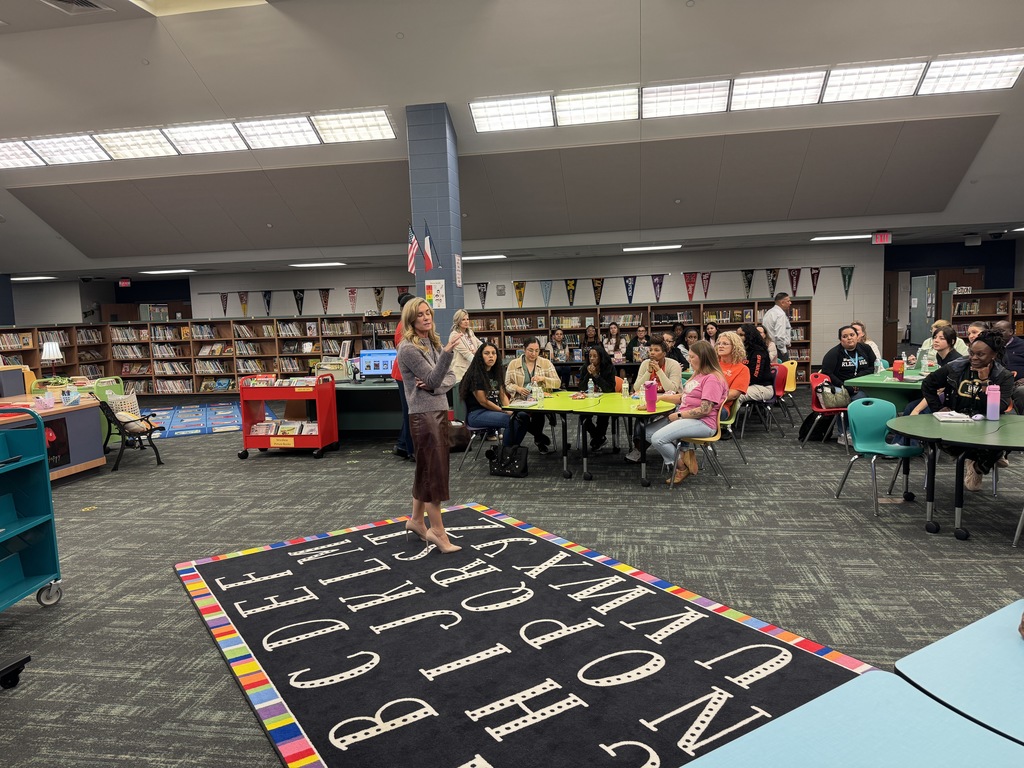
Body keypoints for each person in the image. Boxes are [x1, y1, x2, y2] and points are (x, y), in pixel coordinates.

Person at [396, 297, 462, 554]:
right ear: (411, 320)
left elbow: (448, 378)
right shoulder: (409, 349)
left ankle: (415, 520)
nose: (426, 317)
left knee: (427, 468)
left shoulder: (431, 342)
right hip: (424, 416)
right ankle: (437, 531)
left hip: (437, 411)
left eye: (428, 313)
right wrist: (445, 355)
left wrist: (437, 384)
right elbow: (436, 376)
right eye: (420, 314)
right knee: (434, 473)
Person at [919, 330, 1013, 492]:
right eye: (971, 353)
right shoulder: (956, 367)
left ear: (994, 355)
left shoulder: (1002, 376)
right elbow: (928, 384)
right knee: (949, 444)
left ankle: (977, 467)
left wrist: (985, 382)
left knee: (999, 445)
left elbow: (999, 407)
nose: (974, 358)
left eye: (980, 354)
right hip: (956, 423)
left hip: (987, 426)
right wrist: (939, 408)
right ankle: (987, 458)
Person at [646, 340, 729, 485]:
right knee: (647, 432)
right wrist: (660, 399)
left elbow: (705, 409)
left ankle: (681, 467)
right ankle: (684, 454)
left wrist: (679, 415)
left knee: (658, 439)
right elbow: (683, 397)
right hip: (687, 418)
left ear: (703, 357)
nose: (688, 360)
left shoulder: (712, 379)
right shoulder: (698, 374)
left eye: (692, 357)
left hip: (703, 422)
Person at [625, 338, 684, 462]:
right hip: (650, 400)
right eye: (650, 350)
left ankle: (652, 447)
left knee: (656, 421)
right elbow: (636, 387)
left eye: (656, 350)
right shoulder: (645, 363)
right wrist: (649, 371)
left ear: (664, 353)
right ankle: (638, 448)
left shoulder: (673, 364)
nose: (652, 352)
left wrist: (659, 371)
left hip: (670, 402)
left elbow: (672, 388)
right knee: (640, 418)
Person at [460, 342, 526, 448]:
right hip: (477, 414)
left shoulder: (496, 372)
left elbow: (503, 396)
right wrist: (503, 411)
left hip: (493, 411)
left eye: (493, 353)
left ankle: (514, 448)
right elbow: (483, 401)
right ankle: (506, 453)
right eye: (486, 353)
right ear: (480, 356)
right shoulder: (475, 374)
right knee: (511, 420)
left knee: (524, 416)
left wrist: (509, 409)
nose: (491, 356)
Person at [819, 325, 877, 446]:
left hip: (862, 384)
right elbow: (827, 373)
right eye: (845, 336)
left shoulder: (865, 349)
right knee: (855, 399)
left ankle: (867, 431)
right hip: (841, 385)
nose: (849, 338)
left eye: (852, 335)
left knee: (875, 398)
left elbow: (873, 367)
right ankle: (845, 433)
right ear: (841, 340)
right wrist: (845, 386)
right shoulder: (834, 353)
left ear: (858, 337)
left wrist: (858, 379)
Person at [504, 337, 560, 454]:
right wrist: (518, 388)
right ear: (524, 349)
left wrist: (543, 379)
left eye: (537, 350)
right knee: (522, 416)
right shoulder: (513, 364)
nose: (533, 354)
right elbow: (507, 384)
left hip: (540, 399)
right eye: (530, 350)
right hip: (520, 400)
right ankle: (539, 437)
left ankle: (539, 439)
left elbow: (557, 382)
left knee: (538, 413)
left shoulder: (545, 363)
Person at [392, 291, 417, 460]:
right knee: (410, 412)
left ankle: (402, 444)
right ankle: (411, 450)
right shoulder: (405, 326)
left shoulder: (405, 324)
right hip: (405, 374)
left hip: (404, 373)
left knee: (410, 411)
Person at [578, 345, 616, 450]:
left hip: (606, 399)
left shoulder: (609, 367)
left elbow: (609, 388)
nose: (592, 359)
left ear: (601, 357)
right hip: (589, 400)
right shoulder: (585, 367)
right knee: (583, 417)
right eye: (590, 356)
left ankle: (597, 438)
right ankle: (599, 437)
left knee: (603, 416)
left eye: (595, 356)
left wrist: (596, 375)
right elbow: (581, 387)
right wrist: (588, 375)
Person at [448, 309, 481, 421]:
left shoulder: (469, 332)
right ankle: (462, 431)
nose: (466, 322)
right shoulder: (454, 335)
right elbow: (466, 354)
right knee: (462, 405)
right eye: (463, 319)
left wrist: (481, 352)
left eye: (467, 319)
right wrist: (480, 361)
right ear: (458, 321)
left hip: (471, 372)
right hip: (460, 374)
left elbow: (480, 346)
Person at [714, 331, 751, 418]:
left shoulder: (742, 369)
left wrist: (709, 399)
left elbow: (733, 395)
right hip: (700, 402)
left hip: (721, 407)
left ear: (735, 347)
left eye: (725, 344)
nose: (720, 346)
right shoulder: (712, 364)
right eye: (719, 343)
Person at [736, 323, 774, 403]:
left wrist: (738, 385)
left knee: (736, 395)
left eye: (741, 335)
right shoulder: (744, 350)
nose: (738, 338)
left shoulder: (758, 352)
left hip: (762, 387)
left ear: (750, 336)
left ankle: (731, 416)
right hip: (750, 385)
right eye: (737, 335)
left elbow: (755, 376)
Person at [762, 292, 793, 362]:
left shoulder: (769, 312)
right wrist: (783, 351)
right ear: (782, 302)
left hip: (769, 346)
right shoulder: (780, 314)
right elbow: (780, 335)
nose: (790, 303)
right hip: (778, 349)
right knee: (783, 371)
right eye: (788, 301)